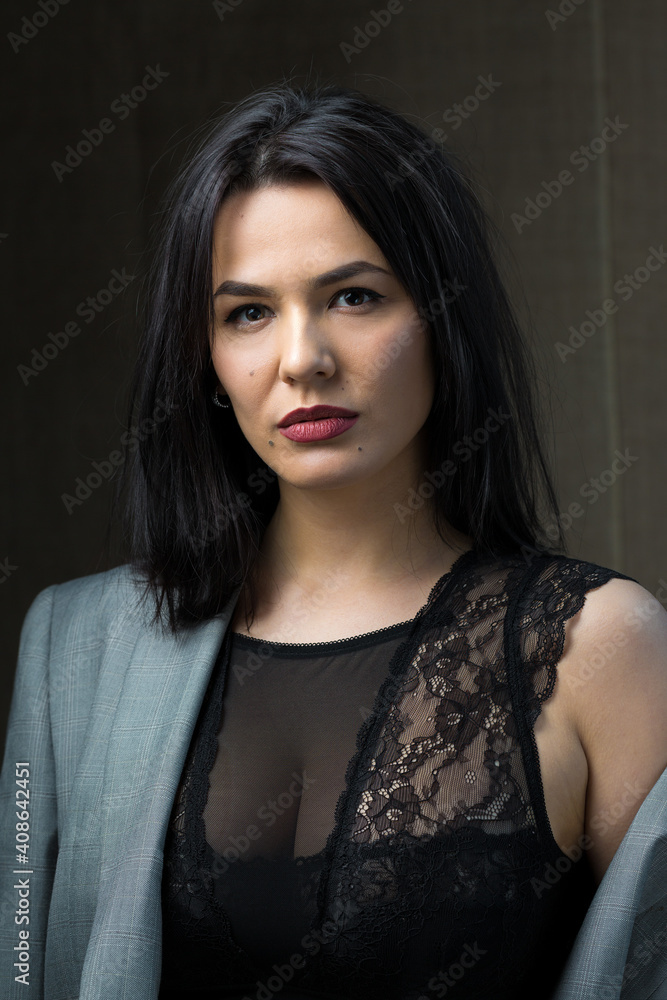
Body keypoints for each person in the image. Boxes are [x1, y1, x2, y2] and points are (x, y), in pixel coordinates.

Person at [1, 80, 666, 1000]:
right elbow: (21, 961)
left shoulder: (601, 645)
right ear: (206, 360)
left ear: (442, 317)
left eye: (353, 297)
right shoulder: (74, 646)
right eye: (247, 312)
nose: (300, 358)